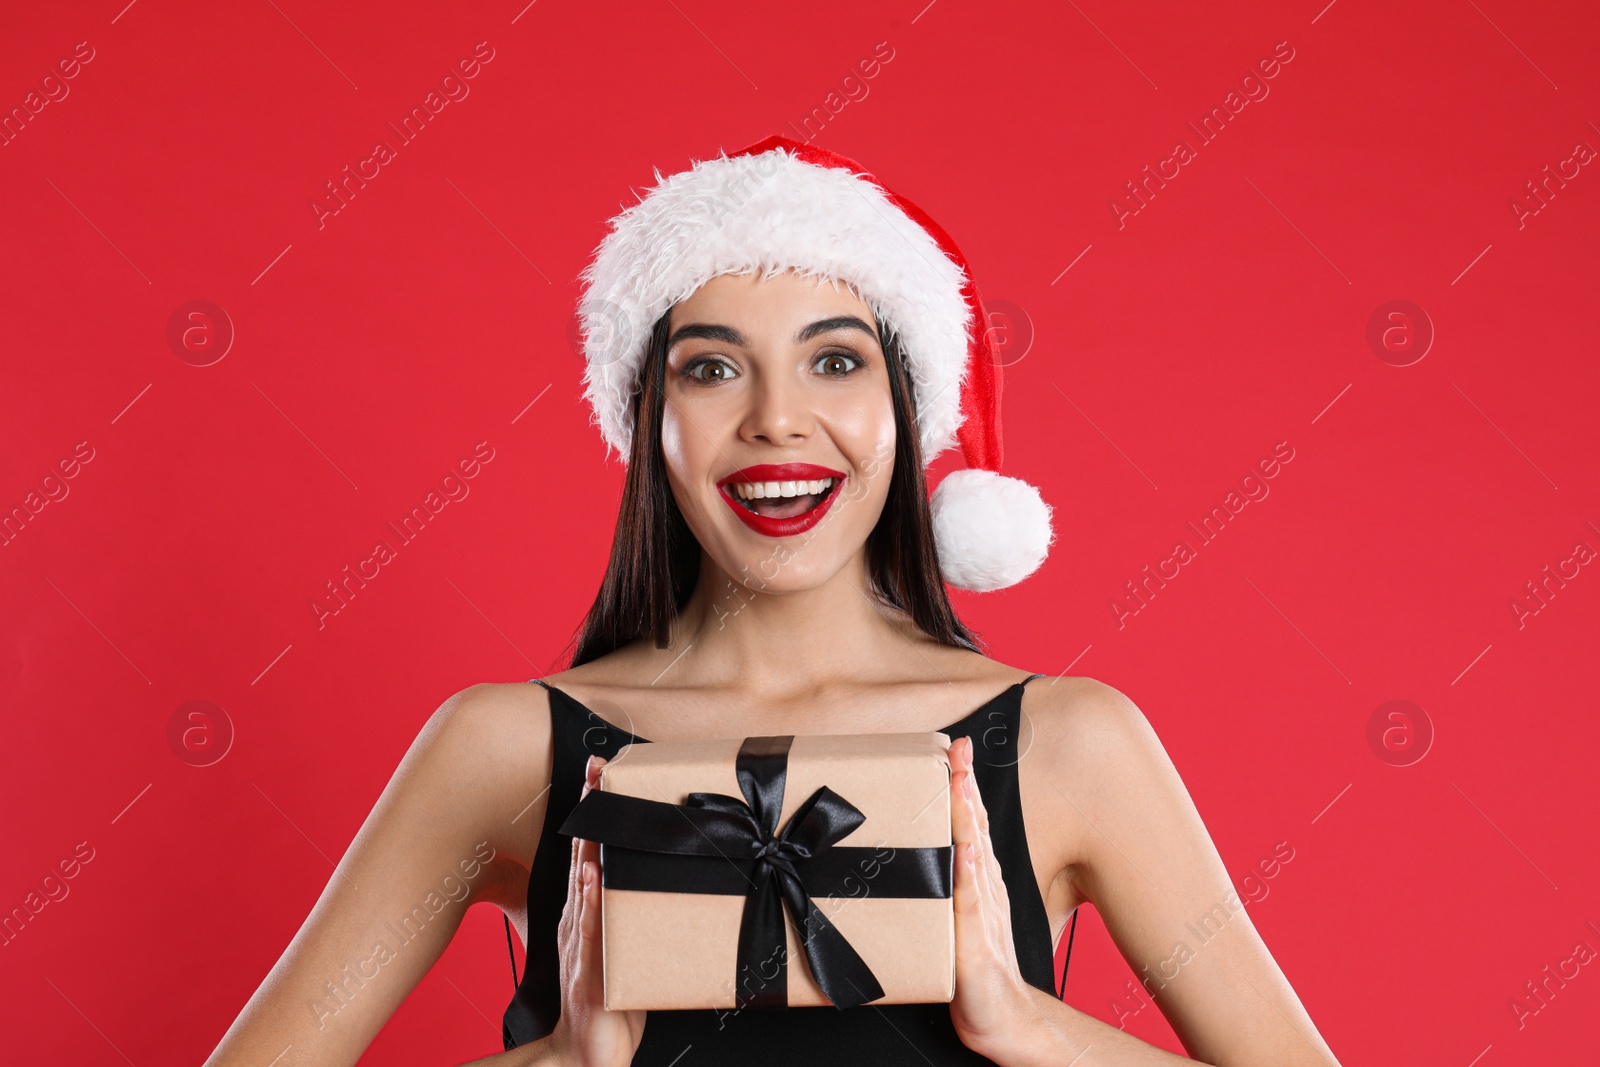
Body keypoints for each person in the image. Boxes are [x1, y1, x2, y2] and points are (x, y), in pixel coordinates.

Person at [204, 137, 1341, 1067]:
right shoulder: (500, 747)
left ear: (907, 408)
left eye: (834, 361)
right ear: (648, 417)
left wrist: (1030, 1027)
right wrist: (562, 1062)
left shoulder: (1070, 745)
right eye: (711, 367)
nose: (777, 420)